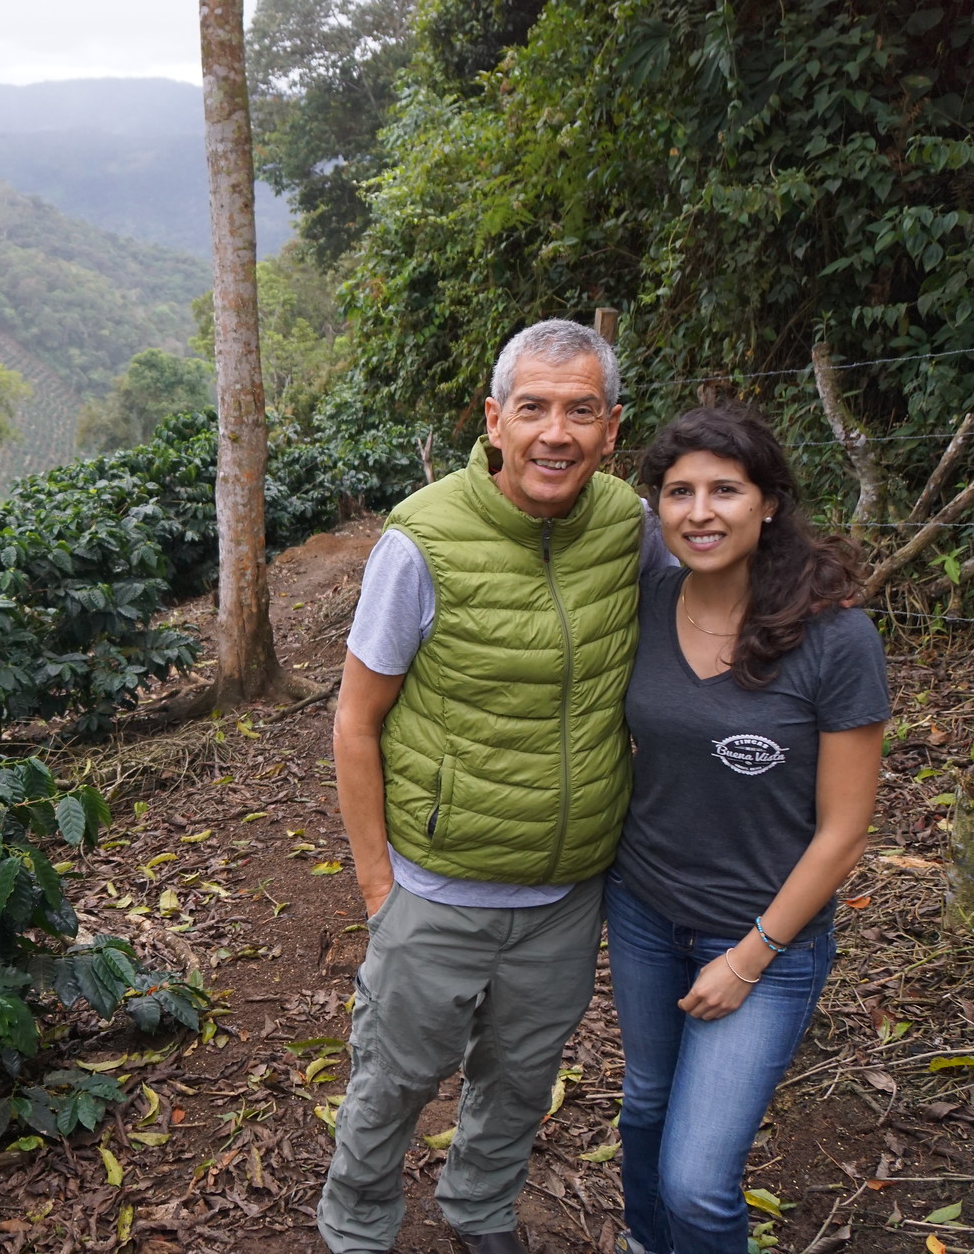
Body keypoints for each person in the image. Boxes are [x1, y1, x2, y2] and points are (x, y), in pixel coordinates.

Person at [320, 319, 672, 1254]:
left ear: (612, 427)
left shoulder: (630, 527)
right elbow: (356, 719)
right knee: (394, 1077)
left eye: (580, 410)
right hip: (435, 885)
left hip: (566, 892)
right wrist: (378, 893)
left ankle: (478, 1208)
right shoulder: (423, 539)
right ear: (495, 419)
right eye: (535, 408)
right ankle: (357, 1226)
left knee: (521, 1076)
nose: (557, 432)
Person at [607, 407, 887, 1254]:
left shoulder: (836, 636)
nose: (700, 511)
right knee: (645, 1104)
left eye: (725, 489)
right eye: (679, 491)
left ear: (768, 503)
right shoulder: (647, 601)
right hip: (644, 908)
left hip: (768, 936)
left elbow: (845, 831)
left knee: (697, 1184)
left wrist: (751, 952)